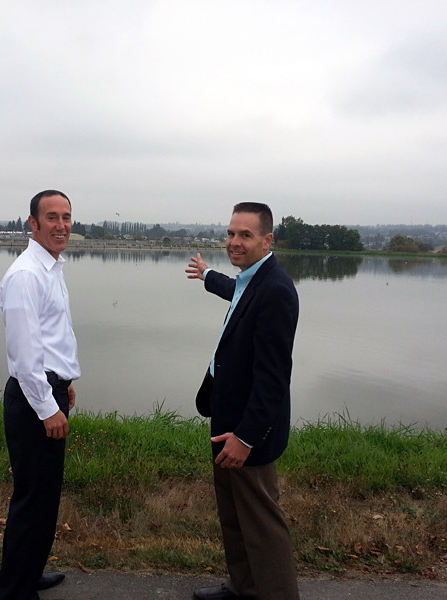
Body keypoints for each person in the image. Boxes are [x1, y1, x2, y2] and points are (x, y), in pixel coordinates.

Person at [185, 202, 300, 600]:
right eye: (232, 233)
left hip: (248, 430)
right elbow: (236, 293)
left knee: (262, 524)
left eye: (246, 235)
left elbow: (272, 381)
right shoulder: (252, 281)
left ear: (267, 241)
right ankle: (243, 587)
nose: (235, 242)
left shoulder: (276, 291)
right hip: (226, 417)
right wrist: (207, 276)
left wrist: (247, 437)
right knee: (233, 516)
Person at [0, 190, 80, 600]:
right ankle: (13, 591)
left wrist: (65, 384)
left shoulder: (50, 267)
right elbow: (25, 356)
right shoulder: (26, 275)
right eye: (51, 217)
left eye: (66, 217)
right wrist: (48, 407)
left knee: (45, 497)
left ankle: (30, 572)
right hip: (33, 402)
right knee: (32, 500)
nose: (61, 225)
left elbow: (50, 339)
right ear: (32, 223)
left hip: (48, 391)